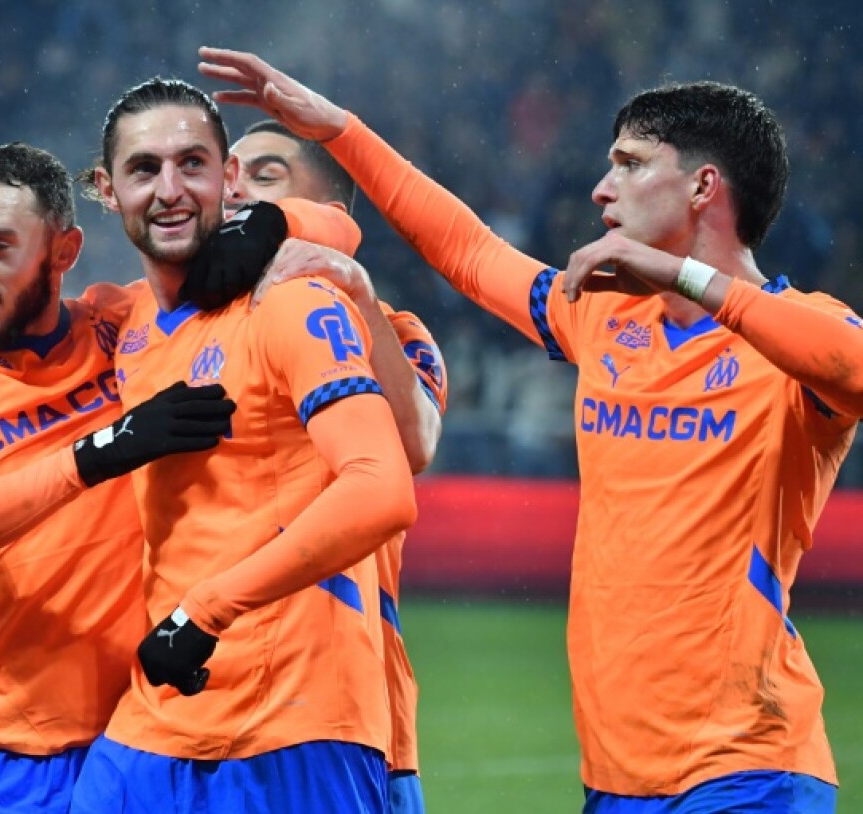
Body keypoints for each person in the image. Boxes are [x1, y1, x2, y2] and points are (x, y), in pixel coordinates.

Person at [198, 47, 863, 812]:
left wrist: (683, 277)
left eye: (630, 164)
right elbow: (470, 251)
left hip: (750, 763)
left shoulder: (803, 330)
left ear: (703, 186)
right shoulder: (608, 317)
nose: (600, 188)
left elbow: (855, 367)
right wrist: (343, 130)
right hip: (616, 773)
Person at [68, 77, 417, 813]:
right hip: (157, 710)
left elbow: (385, 486)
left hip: (293, 717)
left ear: (229, 184)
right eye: (143, 169)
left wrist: (206, 609)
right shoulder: (116, 324)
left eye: (192, 164)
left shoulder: (294, 299)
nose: (169, 189)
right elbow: (10, 351)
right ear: (105, 189)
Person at [0, 141, 239, 813]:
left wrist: (274, 227)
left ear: (64, 251)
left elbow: (283, 235)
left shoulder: (125, 326)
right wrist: (102, 451)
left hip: (141, 757)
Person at [231, 118, 448, 813]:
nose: (236, 191)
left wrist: (353, 292)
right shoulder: (179, 328)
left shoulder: (398, 334)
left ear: (332, 212)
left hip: (350, 716)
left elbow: (413, 445)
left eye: (265, 174)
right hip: (197, 702)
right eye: (228, 174)